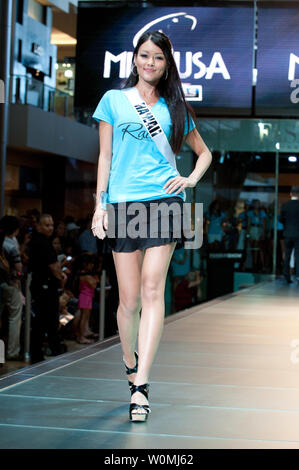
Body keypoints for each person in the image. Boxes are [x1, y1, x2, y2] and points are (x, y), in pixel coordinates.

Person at [91, 30, 212, 422]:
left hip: (165, 202)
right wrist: (99, 205)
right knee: (128, 301)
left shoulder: (176, 107)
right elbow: (105, 157)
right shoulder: (113, 100)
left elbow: (204, 153)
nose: (150, 63)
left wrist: (189, 180)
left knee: (151, 289)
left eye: (158, 58)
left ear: (166, 64)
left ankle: (141, 386)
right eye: (145, 55)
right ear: (135, 58)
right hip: (123, 204)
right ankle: (130, 363)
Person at [28, 214, 67, 362]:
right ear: (38, 226)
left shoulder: (40, 241)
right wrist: (61, 276)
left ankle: (42, 352)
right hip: (44, 287)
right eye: (46, 225)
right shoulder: (42, 242)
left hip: (43, 286)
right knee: (47, 320)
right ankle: (52, 351)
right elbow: (54, 268)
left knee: (44, 321)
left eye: (51, 225)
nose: (50, 228)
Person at [0, 216, 24, 360]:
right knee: (14, 318)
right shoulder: (10, 245)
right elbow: (18, 266)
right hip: (10, 283)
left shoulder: (4, 242)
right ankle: (12, 351)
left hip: (3, 282)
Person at [280, 186, 299, 283]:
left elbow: (280, 219)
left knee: (287, 254)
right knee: (298, 254)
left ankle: (286, 275)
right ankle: (298, 275)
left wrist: (287, 224)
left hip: (287, 233)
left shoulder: (285, 205)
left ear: (291, 194)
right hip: (298, 233)